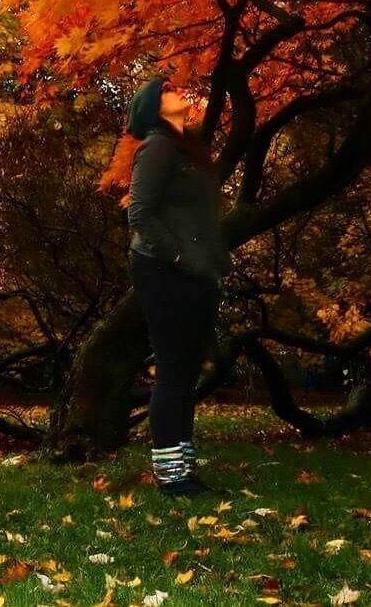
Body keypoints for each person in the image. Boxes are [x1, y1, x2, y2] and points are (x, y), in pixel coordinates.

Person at [109, 76, 229, 496]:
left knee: (188, 371)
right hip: (163, 271)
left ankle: (184, 467)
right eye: (169, 90)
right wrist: (180, 256)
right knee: (173, 370)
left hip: (198, 274)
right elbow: (138, 214)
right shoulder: (157, 147)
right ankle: (170, 476)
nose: (181, 92)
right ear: (153, 107)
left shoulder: (189, 151)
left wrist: (209, 262)